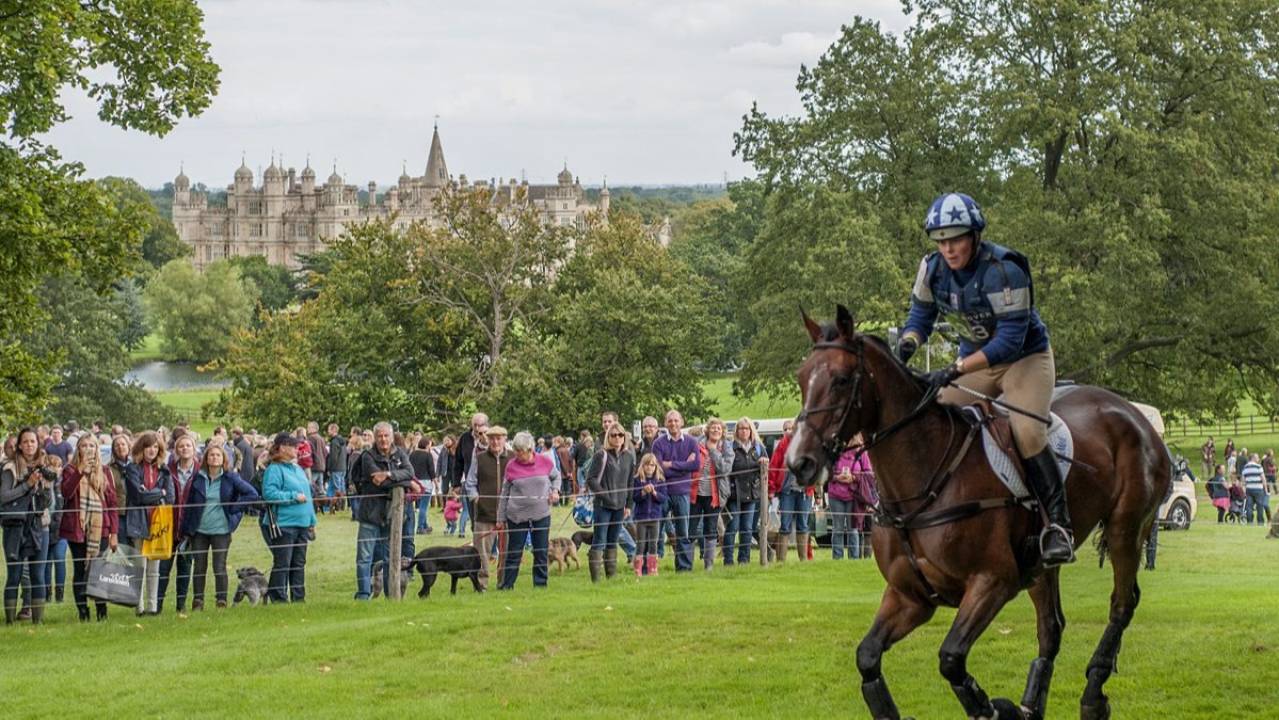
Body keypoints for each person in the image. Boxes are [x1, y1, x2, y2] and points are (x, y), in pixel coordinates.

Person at [896, 192, 1074, 566]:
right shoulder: (930, 269)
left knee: (1027, 432)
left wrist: (957, 368)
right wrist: (906, 348)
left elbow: (1009, 341)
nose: (948, 248)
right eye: (941, 240)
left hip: (1025, 358)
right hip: (976, 362)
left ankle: (1058, 526)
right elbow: (919, 316)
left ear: (974, 236)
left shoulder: (1004, 269)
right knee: (931, 414)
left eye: (956, 239)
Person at [181, 443, 260, 610]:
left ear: (224, 458)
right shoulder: (198, 477)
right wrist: (186, 530)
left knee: (219, 566)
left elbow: (252, 493)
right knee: (199, 567)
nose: (214, 458)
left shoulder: (230, 477)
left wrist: (234, 509)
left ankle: (221, 600)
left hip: (221, 530)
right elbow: (189, 504)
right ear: (205, 459)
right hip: (200, 530)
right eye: (211, 455)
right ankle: (198, 601)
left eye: (217, 455)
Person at [58, 433, 119, 622]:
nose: (88, 449)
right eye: (84, 446)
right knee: (80, 570)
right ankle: (83, 611)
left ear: (97, 449)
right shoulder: (70, 470)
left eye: (91, 445)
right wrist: (80, 471)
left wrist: (114, 533)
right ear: (78, 449)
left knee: (98, 570)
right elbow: (66, 493)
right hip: (77, 527)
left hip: (100, 528)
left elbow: (112, 504)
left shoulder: (105, 471)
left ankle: (102, 611)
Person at [352, 422, 415, 600]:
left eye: (386, 435)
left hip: (391, 515)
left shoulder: (400, 453)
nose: (383, 439)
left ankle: (391, 592)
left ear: (392, 436)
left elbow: (409, 472)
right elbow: (377, 480)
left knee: (390, 556)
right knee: (364, 556)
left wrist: (388, 475)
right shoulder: (367, 456)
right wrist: (407, 483)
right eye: (379, 436)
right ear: (375, 438)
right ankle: (363, 594)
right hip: (370, 513)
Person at [2, 428, 55, 624]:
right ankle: (9, 621)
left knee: (38, 575)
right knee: (14, 575)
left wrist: (45, 487)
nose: (29, 445)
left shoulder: (45, 465)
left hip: (40, 525)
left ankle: (38, 621)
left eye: (33, 441)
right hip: (15, 527)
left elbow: (49, 502)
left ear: (38, 444)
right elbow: (4, 496)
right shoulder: (10, 467)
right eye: (25, 442)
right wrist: (27, 485)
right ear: (19, 445)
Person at [496, 431, 560, 590]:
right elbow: (504, 493)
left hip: (541, 515)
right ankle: (507, 586)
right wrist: (500, 518)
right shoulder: (511, 466)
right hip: (517, 516)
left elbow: (556, 477)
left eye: (520, 451)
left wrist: (555, 491)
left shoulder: (545, 462)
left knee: (541, 551)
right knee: (514, 552)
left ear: (530, 449)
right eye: (515, 451)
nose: (517, 455)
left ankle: (540, 585)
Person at [260, 433, 316, 603]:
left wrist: (312, 520)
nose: (297, 449)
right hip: (284, 523)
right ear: (283, 447)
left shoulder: (298, 469)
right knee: (283, 563)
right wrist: (292, 496)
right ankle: (278, 598)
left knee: (299, 563)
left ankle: (299, 598)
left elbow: (308, 495)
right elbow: (269, 494)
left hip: (302, 523)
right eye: (293, 446)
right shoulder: (274, 469)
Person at [129, 431, 173, 615]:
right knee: (140, 566)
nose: (152, 450)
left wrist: (155, 493)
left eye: (156, 447)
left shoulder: (164, 470)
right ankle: (139, 607)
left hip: (158, 521)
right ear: (141, 447)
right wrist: (159, 493)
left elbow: (170, 496)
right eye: (148, 446)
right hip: (139, 521)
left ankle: (152, 607)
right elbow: (138, 497)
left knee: (155, 568)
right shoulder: (132, 468)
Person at [585, 424, 635, 582]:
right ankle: (596, 580)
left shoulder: (628, 457)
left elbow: (630, 483)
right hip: (603, 506)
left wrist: (628, 505)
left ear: (624, 437)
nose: (617, 438)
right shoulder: (601, 455)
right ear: (608, 437)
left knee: (613, 540)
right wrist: (605, 496)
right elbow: (591, 480)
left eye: (620, 435)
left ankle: (611, 577)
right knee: (599, 540)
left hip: (620, 505)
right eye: (613, 435)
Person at [652, 410, 699, 572]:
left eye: (676, 420)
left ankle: (684, 567)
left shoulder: (692, 442)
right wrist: (682, 466)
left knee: (683, 531)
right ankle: (651, 566)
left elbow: (695, 466)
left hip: (682, 492)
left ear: (682, 422)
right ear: (665, 423)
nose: (673, 423)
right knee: (656, 529)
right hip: (663, 491)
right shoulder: (658, 443)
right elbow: (657, 469)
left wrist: (670, 465)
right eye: (670, 421)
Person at [465, 425, 511, 590]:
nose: (495, 442)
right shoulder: (479, 457)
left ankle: (504, 582)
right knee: (481, 553)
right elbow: (470, 483)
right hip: (484, 513)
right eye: (492, 438)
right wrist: (477, 499)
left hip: (508, 513)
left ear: (505, 439)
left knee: (506, 551)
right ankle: (481, 584)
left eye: (499, 438)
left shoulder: (513, 458)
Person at [158, 433, 199, 613]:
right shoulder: (168, 470)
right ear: (176, 450)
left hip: (189, 528)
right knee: (163, 569)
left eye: (188, 445)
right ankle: (156, 605)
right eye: (181, 446)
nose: (185, 449)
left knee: (185, 569)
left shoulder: (200, 471)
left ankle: (180, 606)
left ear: (194, 448)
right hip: (169, 526)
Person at [768, 419, 814, 562]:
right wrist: (771, 488)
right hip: (787, 490)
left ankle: (803, 559)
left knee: (803, 524)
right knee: (785, 524)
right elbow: (773, 466)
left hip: (804, 491)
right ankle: (781, 560)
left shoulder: (809, 444)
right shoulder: (783, 444)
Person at [724, 417, 767, 565]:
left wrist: (763, 462)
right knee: (733, 527)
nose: (744, 431)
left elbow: (767, 467)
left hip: (752, 493)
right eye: (741, 428)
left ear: (751, 431)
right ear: (736, 431)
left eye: (746, 428)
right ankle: (728, 560)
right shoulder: (730, 447)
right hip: (734, 493)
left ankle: (744, 559)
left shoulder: (758, 447)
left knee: (747, 528)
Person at [692, 418, 732, 571]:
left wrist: (713, 451)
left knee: (710, 529)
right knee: (692, 528)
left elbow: (725, 469)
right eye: (713, 427)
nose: (716, 430)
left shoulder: (727, 448)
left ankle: (708, 565)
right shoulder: (696, 444)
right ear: (707, 430)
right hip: (695, 493)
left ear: (722, 432)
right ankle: (686, 565)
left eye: (719, 428)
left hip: (715, 495)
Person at [631, 453, 667, 576]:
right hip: (641, 518)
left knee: (653, 543)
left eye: (652, 465)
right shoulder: (637, 480)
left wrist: (654, 493)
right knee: (641, 543)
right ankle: (638, 569)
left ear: (656, 466)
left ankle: (652, 569)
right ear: (642, 465)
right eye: (647, 465)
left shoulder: (660, 480)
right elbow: (635, 498)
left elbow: (663, 498)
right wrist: (643, 492)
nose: (649, 467)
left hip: (655, 518)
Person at [829, 440, 861, 560]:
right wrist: (837, 477)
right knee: (838, 529)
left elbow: (864, 473)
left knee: (853, 529)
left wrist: (853, 477)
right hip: (836, 496)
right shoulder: (834, 455)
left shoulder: (858, 455)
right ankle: (838, 558)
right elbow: (826, 473)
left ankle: (854, 558)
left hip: (852, 497)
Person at [409, 437, 436, 535]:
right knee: (424, 507)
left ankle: (425, 525)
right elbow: (431, 470)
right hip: (426, 482)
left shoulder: (412, 454)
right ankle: (420, 527)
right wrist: (435, 482)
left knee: (420, 505)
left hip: (415, 482)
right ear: (427, 445)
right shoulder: (428, 455)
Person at [325, 423, 348, 514]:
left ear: (334, 430)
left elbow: (333, 457)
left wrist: (330, 468)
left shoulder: (334, 442)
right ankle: (341, 506)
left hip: (336, 468)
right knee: (341, 488)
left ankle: (332, 507)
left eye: (329, 429)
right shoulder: (342, 441)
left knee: (336, 489)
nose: (328, 431)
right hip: (343, 467)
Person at [1241, 453, 1270, 525]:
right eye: (1257, 458)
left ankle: (1250, 521)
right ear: (1253, 458)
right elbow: (1263, 479)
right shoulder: (1259, 467)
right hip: (1258, 489)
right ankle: (1260, 522)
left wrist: (1244, 491)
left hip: (1249, 489)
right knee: (1259, 506)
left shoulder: (1245, 467)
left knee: (1249, 507)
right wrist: (1266, 489)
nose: (1258, 459)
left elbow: (1243, 481)